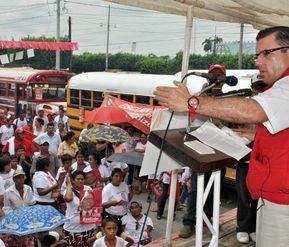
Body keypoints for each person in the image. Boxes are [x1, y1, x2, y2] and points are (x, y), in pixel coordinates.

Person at [154, 26, 289, 246]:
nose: (258, 61)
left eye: (266, 53)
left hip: (282, 203)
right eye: (257, 55)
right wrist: (256, 136)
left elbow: (254, 110)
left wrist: (191, 102)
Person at [63, 170, 96, 246]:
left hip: (89, 226)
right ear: (73, 181)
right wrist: (68, 184)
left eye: (82, 179)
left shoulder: (88, 189)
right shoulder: (68, 190)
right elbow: (68, 198)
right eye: (78, 179)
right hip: (73, 228)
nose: (80, 181)